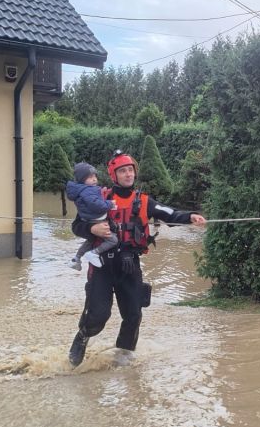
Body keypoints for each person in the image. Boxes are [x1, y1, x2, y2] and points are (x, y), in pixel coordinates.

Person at [67, 150, 206, 367]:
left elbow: (169, 213)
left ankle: (123, 354)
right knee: (98, 316)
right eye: (123, 171)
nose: (128, 175)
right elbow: (76, 226)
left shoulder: (144, 200)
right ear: (114, 175)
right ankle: (83, 337)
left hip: (129, 266)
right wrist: (92, 228)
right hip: (102, 265)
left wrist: (190, 216)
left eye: (130, 170)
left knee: (133, 315)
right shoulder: (98, 197)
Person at [65, 162, 118, 271]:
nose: (94, 179)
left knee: (90, 240)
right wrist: (109, 204)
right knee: (113, 240)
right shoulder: (87, 191)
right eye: (90, 177)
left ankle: (76, 258)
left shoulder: (85, 191)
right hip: (96, 220)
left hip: (91, 219)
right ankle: (94, 253)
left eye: (94, 176)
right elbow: (95, 205)